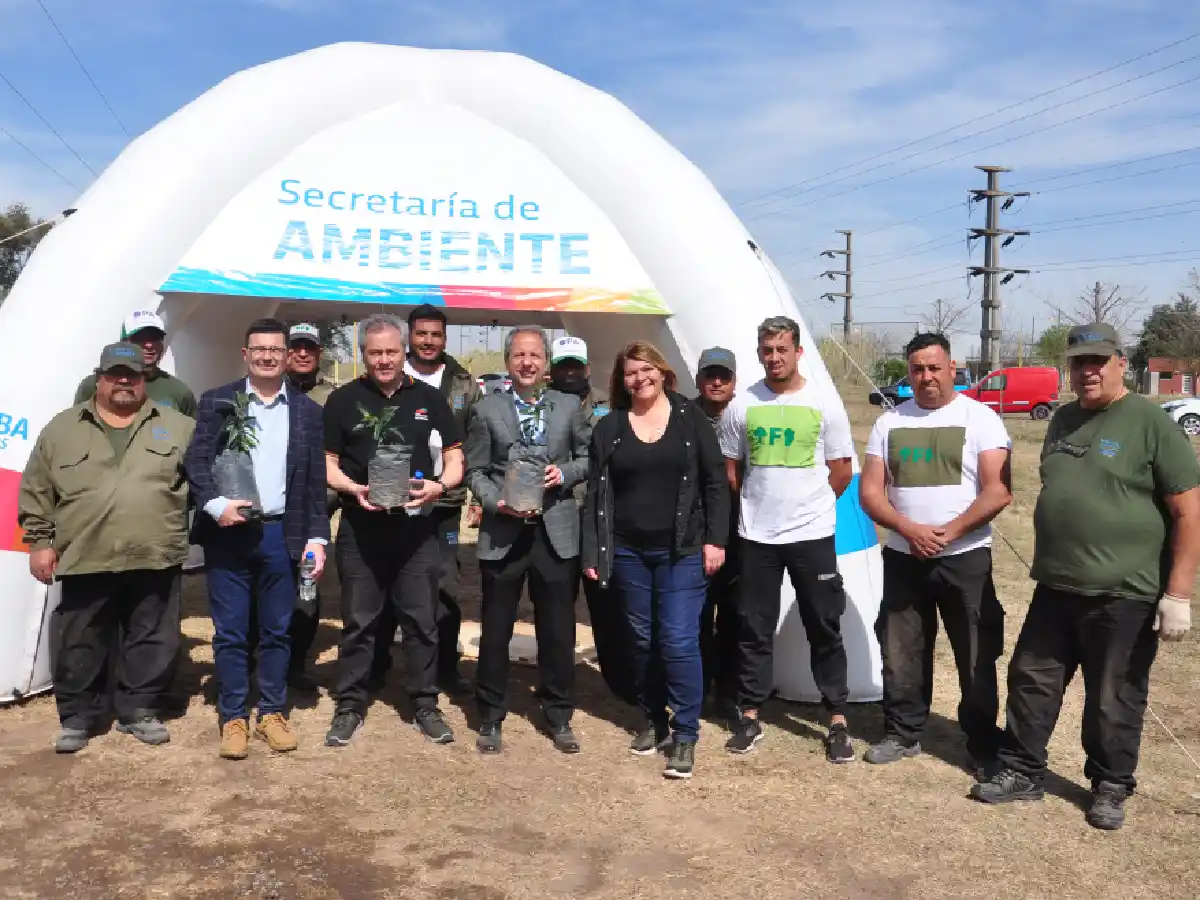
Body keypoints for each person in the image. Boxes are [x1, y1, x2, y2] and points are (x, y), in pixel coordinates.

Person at [971, 323, 1200, 831]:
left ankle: (1110, 785)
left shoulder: (1151, 422)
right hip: (1056, 585)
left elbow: (1189, 511)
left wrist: (1178, 594)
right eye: (1079, 362)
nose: (1088, 370)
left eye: (1099, 360)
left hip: (1125, 593)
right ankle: (1024, 770)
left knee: (1113, 695)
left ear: (1121, 362)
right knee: (1031, 680)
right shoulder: (1063, 419)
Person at [20, 343, 195, 753]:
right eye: (114, 374)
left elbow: (208, 481)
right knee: (81, 637)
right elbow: (37, 489)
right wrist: (40, 542)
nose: (123, 381)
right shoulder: (62, 428)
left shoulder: (178, 425)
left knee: (153, 635)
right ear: (98, 378)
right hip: (85, 552)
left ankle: (140, 709)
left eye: (131, 375)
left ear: (143, 380)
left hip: (154, 550)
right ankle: (79, 716)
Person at [859, 332, 1011, 773]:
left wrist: (949, 532)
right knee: (901, 648)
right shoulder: (890, 422)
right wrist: (909, 530)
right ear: (909, 373)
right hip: (905, 558)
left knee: (976, 653)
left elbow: (998, 490)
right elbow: (870, 492)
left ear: (952, 368)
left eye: (934, 367)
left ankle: (983, 744)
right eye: (917, 369)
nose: (926, 377)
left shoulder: (981, 418)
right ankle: (902, 732)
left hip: (965, 558)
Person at [582, 341, 728, 780]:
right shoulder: (609, 427)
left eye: (647, 369)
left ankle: (685, 734)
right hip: (627, 551)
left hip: (682, 550)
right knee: (642, 640)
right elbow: (595, 494)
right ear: (620, 380)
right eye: (630, 372)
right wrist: (594, 549)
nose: (639, 378)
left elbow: (715, 482)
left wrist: (715, 540)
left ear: (663, 372)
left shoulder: (691, 419)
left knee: (679, 640)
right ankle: (654, 720)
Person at [184, 318, 330, 760]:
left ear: (287, 356)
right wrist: (214, 506)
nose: (268, 356)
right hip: (229, 532)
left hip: (280, 534)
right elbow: (196, 461)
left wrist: (317, 538)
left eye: (276, 349)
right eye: (259, 349)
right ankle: (233, 717)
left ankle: (271, 712)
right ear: (245, 354)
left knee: (277, 631)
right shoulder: (217, 401)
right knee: (229, 633)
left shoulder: (307, 411)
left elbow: (314, 482)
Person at [322, 313, 465, 748]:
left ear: (404, 352)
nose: (383, 360)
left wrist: (438, 486)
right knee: (359, 621)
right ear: (362, 354)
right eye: (374, 352)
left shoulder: (429, 398)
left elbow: (457, 458)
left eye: (390, 351)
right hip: (360, 529)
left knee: (422, 621)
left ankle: (425, 703)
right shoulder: (343, 400)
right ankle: (350, 704)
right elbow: (326, 464)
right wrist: (353, 487)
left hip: (416, 531)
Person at [718, 316, 857, 763]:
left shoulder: (824, 403)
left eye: (782, 349)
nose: (774, 357)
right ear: (759, 353)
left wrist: (808, 507)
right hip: (756, 537)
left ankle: (836, 718)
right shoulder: (743, 405)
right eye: (766, 350)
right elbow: (732, 470)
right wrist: (762, 507)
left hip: (812, 536)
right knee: (753, 627)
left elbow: (841, 471)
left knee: (823, 625)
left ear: (798, 351)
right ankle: (751, 714)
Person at [465, 326, 589, 755]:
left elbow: (589, 456)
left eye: (535, 355)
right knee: (496, 629)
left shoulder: (570, 406)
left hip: (555, 530)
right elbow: (474, 470)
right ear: (507, 361)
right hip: (504, 531)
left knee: (557, 630)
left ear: (546, 363)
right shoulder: (486, 410)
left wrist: (566, 473)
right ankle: (491, 716)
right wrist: (496, 502)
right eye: (519, 355)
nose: (527, 363)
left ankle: (558, 713)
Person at [388, 302, 483, 695]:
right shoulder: (389, 373)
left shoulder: (464, 383)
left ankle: (446, 667)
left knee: (444, 584)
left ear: (445, 338)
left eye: (436, 335)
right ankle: (379, 664)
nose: (428, 341)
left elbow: (476, 443)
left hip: (444, 502)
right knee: (385, 582)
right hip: (394, 498)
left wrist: (475, 494)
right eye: (421, 333)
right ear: (410, 335)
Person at [549, 335, 636, 706]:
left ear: (586, 367)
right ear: (553, 370)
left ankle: (621, 683)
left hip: (601, 517)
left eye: (575, 365)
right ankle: (558, 681)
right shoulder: (541, 404)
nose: (570, 372)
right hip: (559, 514)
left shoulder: (611, 403)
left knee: (607, 604)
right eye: (562, 365)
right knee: (557, 605)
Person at [281, 322, 338, 690]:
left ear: (319, 353)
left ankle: (297, 663)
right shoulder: (267, 390)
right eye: (296, 346)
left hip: (313, 510)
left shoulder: (335, 398)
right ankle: (267, 656)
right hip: (271, 510)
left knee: (306, 589)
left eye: (310, 348)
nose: (302, 353)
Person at [693, 347, 741, 721]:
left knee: (734, 615)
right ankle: (697, 686)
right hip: (695, 532)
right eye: (710, 374)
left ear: (734, 381)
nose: (716, 381)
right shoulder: (682, 417)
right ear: (698, 379)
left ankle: (728, 692)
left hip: (741, 532)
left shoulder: (746, 417)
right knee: (695, 616)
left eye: (723, 375)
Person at [75, 310, 197, 415]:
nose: (149, 345)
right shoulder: (93, 385)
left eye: (155, 338)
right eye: (140, 338)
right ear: (123, 342)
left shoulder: (179, 391)